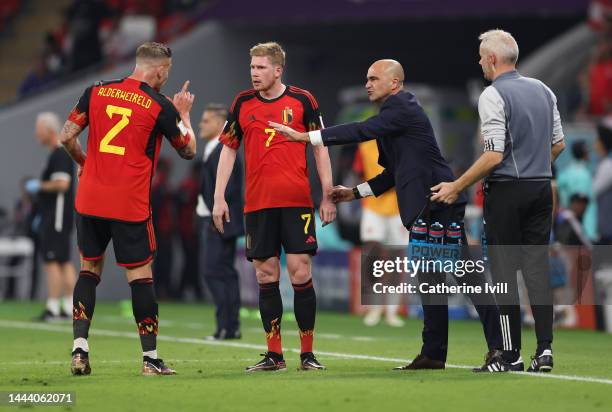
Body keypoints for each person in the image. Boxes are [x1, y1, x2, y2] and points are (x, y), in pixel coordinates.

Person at [271, 59, 503, 372]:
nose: (368, 83)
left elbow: (360, 130)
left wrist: (307, 137)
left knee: (466, 275)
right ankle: (433, 354)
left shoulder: (403, 107)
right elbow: (390, 174)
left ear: (394, 83)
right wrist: (353, 193)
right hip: (426, 207)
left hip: (439, 203)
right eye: (366, 78)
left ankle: (500, 350)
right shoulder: (391, 118)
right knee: (430, 282)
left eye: (374, 78)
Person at [431, 29, 566, 372]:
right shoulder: (544, 90)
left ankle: (511, 355)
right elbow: (559, 144)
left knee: (504, 274)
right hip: (541, 187)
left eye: (480, 57)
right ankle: (545, 351)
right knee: (536, 271)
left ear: (492, 58)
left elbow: (493, 155)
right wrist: (535, 166)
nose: (479, 62)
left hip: (507, 191)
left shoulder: (493, 95)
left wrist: (456, 185)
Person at [59, 42, 196, 376]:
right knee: (140, 277)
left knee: (89, 270)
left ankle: (79, 351)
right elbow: (189, 150)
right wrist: (184, 114)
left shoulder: (96, 91)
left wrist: (84, 162)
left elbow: (66, 136)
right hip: (128, 204)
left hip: (89, 199)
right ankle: (150, 359)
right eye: (168, 72)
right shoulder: (159, 105)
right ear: (161, 70)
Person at [213, 42, 337, 372]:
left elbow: (320, 148)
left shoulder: (302, 100)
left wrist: (327, 194)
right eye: (252, 67)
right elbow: (228, 150)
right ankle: (274, 354)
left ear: (278, 70)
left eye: (261, 68)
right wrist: (218, 196)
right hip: (258, 204)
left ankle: (307, 353)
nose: (254, 73)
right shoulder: (242, 103)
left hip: (296, 202)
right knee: (266, 274)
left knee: (300, 272)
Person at [196, 103, 243, 340]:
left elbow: (231, 188)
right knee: (224, 272)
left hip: (219, 220)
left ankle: (227, 326)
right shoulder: (213, 149)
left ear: (218, 123)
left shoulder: (223, 150)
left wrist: (218, 212)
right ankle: (229, 326)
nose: (200, 125)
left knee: (215, 271)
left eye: (205, 121)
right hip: (216, 219)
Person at [27, 112, 76, 321]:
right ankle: (70, 306)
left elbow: (62, 184)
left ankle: (54, 307)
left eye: (38, 129)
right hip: (55, 217)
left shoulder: (60, 153)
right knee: (63, 261)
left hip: (56, 218)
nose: (36, 134)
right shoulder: (57, 154)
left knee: (53, 261)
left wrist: (39, 186)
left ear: (48, 130)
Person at [353, 140, 407, 327]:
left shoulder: (402, 143)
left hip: (398, 207)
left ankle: (391, 311)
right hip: (373, 206)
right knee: (372, 255)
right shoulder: (364, 146)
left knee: (395, 259)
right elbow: (360, 173)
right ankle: (374, 308)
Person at [556, 140, 596, 240]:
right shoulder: (584, 175)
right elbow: (582, 206)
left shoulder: (565, 173)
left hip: (566, 224)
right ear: (585, 154)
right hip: (582, 230)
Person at [177, 162, 204, 300]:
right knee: (191, 261)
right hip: (188, 229)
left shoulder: (186, 185)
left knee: (191, 261)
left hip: (186, 228)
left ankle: (186, 290)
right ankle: (187, 290)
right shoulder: (191, 186)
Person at [594, 119, 612, 245]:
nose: (594, 143)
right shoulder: (603, 164)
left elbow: (592, 190)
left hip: (607, 231)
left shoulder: (607, 166)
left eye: (597, 140)